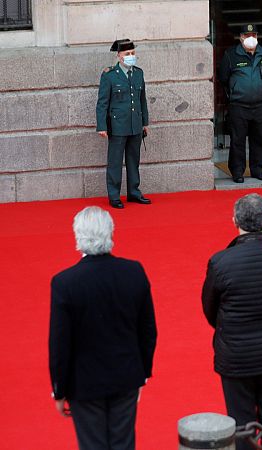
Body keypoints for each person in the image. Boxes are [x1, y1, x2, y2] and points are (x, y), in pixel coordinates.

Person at [49, 206, 157, 450]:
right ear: (111, 233)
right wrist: (143, 372)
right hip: (127, 375)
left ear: (78, 236)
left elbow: (59, 344)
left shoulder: (65, 283)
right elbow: (148, 330)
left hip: (84, 382)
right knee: (124, 443)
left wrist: (59, 390)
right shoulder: (134, 272)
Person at [201, 193, 262, 449]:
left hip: (236, 356)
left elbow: (210, 310)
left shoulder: (220, 262)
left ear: (234, 220)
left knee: (241, 423)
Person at [96, 39, 151, 209]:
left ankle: (134, 192)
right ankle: (114, 195)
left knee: (133, 160)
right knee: (115, 161)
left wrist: (145, 122)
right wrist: (102, 126)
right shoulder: (109, 75)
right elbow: (102, 103)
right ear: (119, 56)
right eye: (127, 54)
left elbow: (142, 100)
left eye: (133, 53)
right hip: (118, 126)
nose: (131, 56)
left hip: (135, 124)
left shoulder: (138, 73)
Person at [219, 24, 262, 183]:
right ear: (241, 37)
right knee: (238, 140)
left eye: (254, 35)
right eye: (247, 35)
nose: (251, 38)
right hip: (239, 105)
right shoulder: (231, 55)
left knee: (261, 138)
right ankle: (237, 171)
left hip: (260, 105)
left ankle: (258, 169)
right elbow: (223, 77)